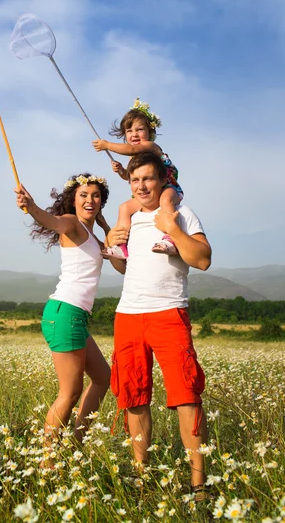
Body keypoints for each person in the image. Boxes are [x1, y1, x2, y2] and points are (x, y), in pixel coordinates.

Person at [106, 151, 212, 501]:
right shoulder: (131, 219)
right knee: (133, 396)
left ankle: (199, 486)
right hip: (128, 315)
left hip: (169, 313)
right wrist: (113, 247)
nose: (141, 186)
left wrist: (172, 231)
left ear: (163, 180)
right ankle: (142, 477)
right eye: (135, 180)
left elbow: (203, 259)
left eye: (147, 179)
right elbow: (127, 268)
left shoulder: (181, 214)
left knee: (186, 396)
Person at [15, 173, 122, 450]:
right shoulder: (72, 224)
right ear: (73, 201)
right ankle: (47, 460)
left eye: (96, 195)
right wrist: (32, 206)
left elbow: (120, 263)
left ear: (101, 202)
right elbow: (54, 222)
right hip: (65, 312)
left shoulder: (93, 237)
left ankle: (76, 444)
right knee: (70, 392)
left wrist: (105, 226)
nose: (90, 200)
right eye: (84, 195)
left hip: (75, 316)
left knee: (102, 378)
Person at [92, 98, 183, 257]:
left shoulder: (150, 147)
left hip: (168, 187)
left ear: (150, 133)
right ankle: (122, 246)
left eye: (139, 129)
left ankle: (170, 238)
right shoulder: (133, 158)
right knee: (124, 208)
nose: (134, 134)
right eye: (129, 131)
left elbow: (133, 148)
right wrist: (122, 171)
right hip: (146, 192)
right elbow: (130, 177)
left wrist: (107, 145)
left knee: (165, 201)